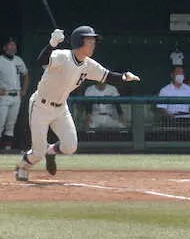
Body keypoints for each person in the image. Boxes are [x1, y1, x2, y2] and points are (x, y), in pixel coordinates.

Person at [15, 26, 141, 181]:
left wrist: (124, 77)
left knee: (70, 146)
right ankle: (23, 166)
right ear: (79, 42)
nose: (93, 44)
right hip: (40, 106)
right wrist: (52, 44)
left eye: (93, 41)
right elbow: (41, 61)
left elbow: (107, 76)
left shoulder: (89, 64)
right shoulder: (62, 56)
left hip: (61, 108)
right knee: (37, 153)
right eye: (89, 40)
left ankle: (51, 152)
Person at [0, 38, 28, 151]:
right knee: (0, 124)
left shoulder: (18, 60)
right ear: (5, 48)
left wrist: (24, 89)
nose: (12, 47)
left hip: (16, 95)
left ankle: (8, 148)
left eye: (14, 45)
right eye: (10, 45)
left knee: (11, 124)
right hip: (4, 95)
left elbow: (26, 74)